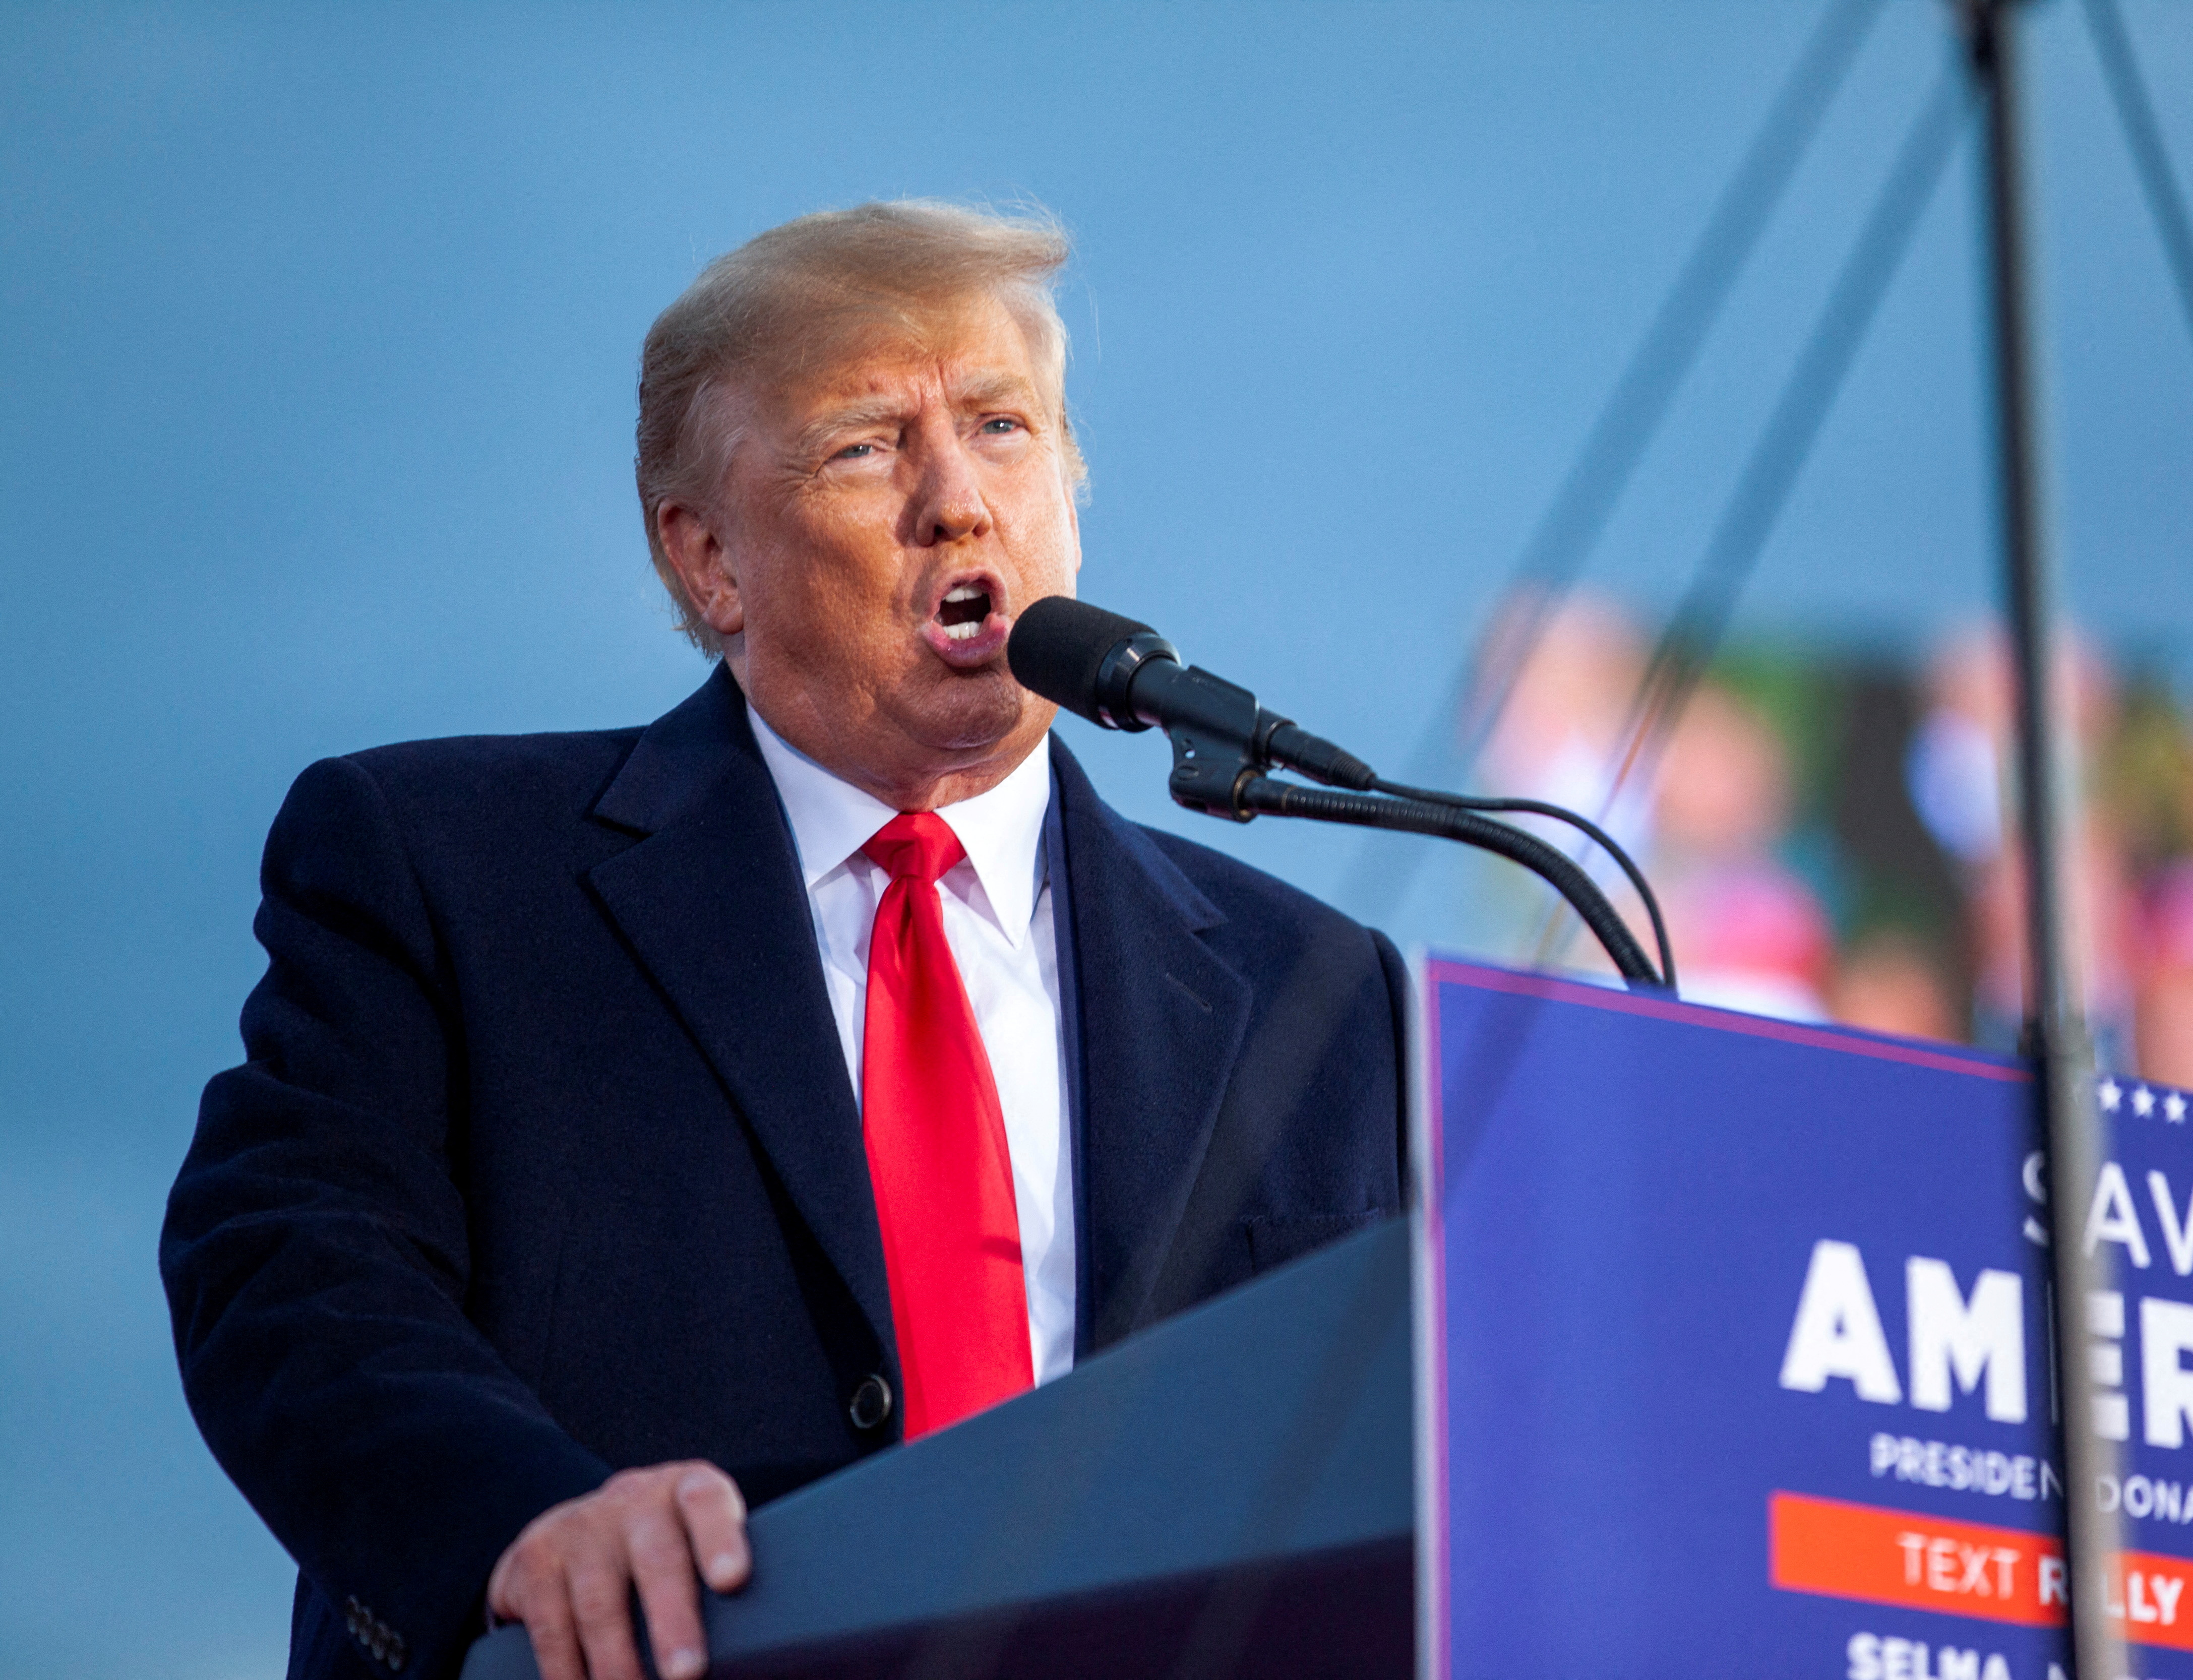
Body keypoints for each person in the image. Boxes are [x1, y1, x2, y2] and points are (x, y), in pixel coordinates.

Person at [160, 203, 1407, 1680]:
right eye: (868, 446)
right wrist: (523, 1526)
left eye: (1003, 427)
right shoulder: (445, 869)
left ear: (1071, 490)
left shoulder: (1322, 993)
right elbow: (294, 1272)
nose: (959, 501)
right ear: (710, 561)